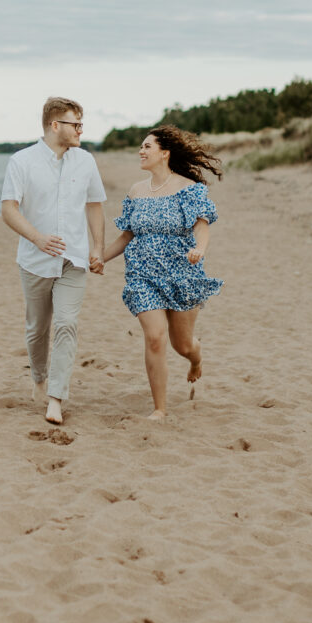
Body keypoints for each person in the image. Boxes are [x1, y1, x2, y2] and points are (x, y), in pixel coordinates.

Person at [103, 125, 223, 420]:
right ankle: (160, 409)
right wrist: (99, 258)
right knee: (155, 338)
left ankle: (196, 358)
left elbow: (201, 226)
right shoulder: (136, 191)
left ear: (165, 153)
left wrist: (200, 250)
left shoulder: (188, 189)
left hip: (182, 273)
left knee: (181, 345)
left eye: (147, 147)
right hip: (142, 275)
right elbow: (127, 235)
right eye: (141, 147)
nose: (140, 151)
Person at [1, 97, 106, 425]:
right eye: (75, 124)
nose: (80, 130)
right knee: (37, 329)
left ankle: (56, 398)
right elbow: (8, 209)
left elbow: (94, 204)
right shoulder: (22, 161)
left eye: (81, 124)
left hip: (73, 259)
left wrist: (98, 247)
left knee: (66, 324)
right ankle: (39, 379)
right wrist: (38, 238)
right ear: (54, 125)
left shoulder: (86, 161)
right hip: (34, 260)